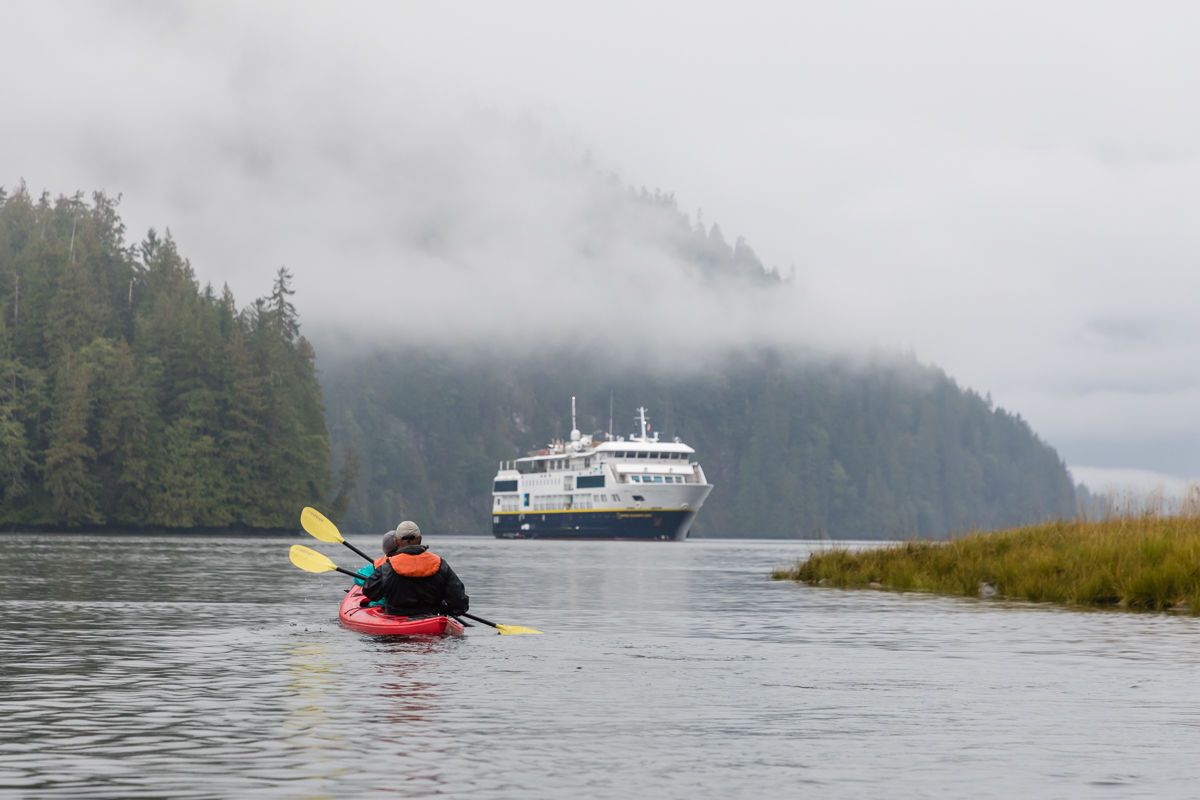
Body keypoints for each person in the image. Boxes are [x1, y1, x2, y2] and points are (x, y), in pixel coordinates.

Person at [362, 521, 469, 618]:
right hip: (431, 619)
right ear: (420, 539)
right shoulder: (440, 564)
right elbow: (460, 604)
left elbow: (369, 591)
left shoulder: (388, 567)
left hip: (396, 619)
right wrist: (445, 608)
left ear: (397, 542)